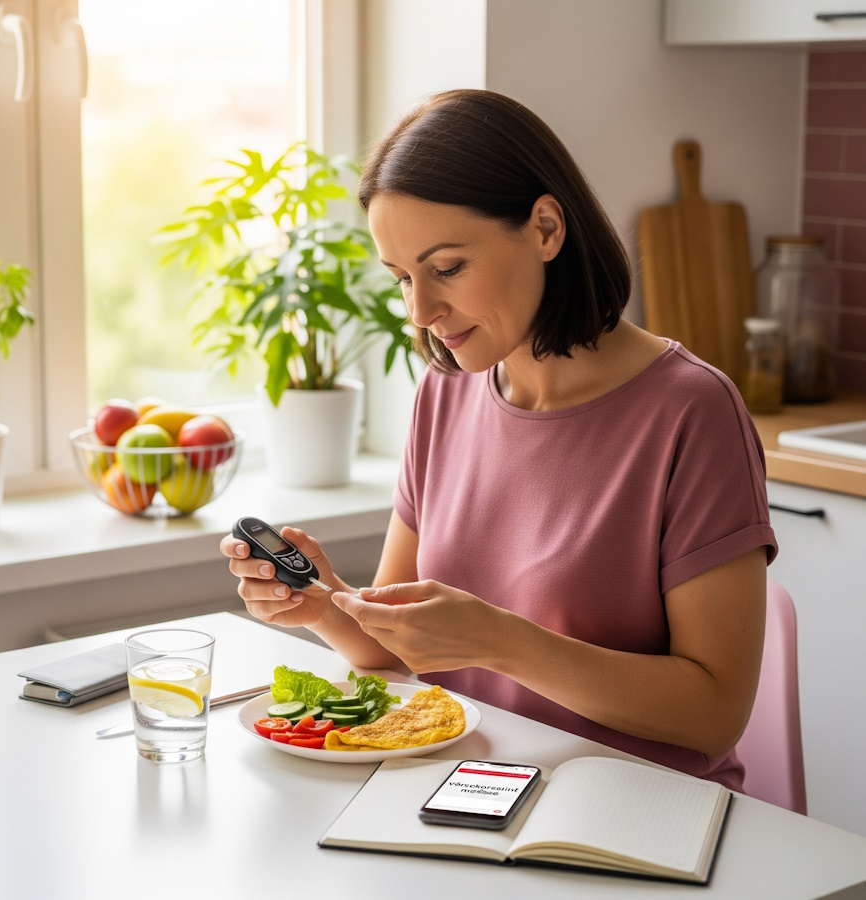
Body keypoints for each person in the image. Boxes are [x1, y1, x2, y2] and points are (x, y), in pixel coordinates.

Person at [221, 89, 777, 790]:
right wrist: (326, 605)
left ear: (545, 228)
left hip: (632, 813)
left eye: (447, 268)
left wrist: (501, 642)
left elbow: (715, 714)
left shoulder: (692, 412)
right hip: (468, 794)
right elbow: (395, 651)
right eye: (403, 279)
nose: (421, 311)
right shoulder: (446, 393)